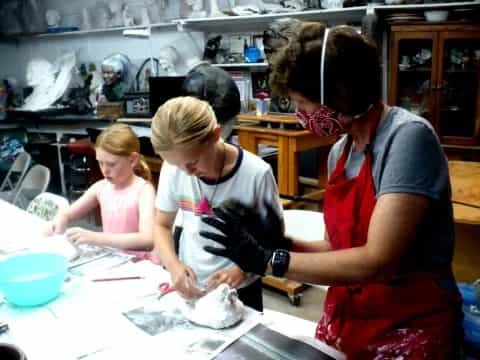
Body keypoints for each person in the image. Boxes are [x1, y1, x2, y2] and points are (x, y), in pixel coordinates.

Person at [200, 23, 463, 358]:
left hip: (409, 326)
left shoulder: (407, 138)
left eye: (304, 104)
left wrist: (272, 261)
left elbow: (377, 261)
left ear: (340, 93)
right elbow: (335, 247)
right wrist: (281, 242)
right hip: (351, 318)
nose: (301, 117)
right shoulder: (341, 150)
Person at [150, 96, 282, 312]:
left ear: (215, 135)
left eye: (192, 163)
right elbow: (161, 225)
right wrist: (174, 267)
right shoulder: (173, 169)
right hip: (192, 286)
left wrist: (242, 270)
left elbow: (273, 235)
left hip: (241, 289)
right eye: (177, 165)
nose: (186, 172)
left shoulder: (256, 173)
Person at [45, 124, 156, 260]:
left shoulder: (144, 191)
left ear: (132, 160)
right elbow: (66, 214)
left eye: (111, 164)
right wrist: (58, 222)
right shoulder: (101, 187)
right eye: (100, 163)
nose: (104, 170)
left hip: (140, 265)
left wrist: (96, 237)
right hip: (115, 259)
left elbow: (147, 240)